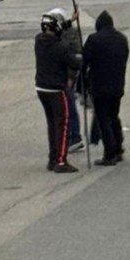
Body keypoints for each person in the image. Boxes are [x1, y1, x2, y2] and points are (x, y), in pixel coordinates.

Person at [35, 11, 82, 173]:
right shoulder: (60, 47)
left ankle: (52, 158)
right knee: (62, 124)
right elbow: (75, 64)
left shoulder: (38, 41)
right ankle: (61, 161)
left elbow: (58, 30)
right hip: (56, 89)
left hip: (41, 88)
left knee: (52, 124)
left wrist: (69, 21)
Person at [82, 11, 129, 166]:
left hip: (99, 86)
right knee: (114, 116)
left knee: (103, 120)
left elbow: (84, 62)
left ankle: (110, 153)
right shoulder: (122, 39)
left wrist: (82, 82)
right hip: (117, 85)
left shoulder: (94, 40)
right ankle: (119, 148)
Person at [49, 8, 84, 153]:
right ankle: (68, 136)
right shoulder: (60, 32)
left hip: (67, 77)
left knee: (69, 107)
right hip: (58, 76)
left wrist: (70, 77)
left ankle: (74, 137)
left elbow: (76, 56)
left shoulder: (70, 35)